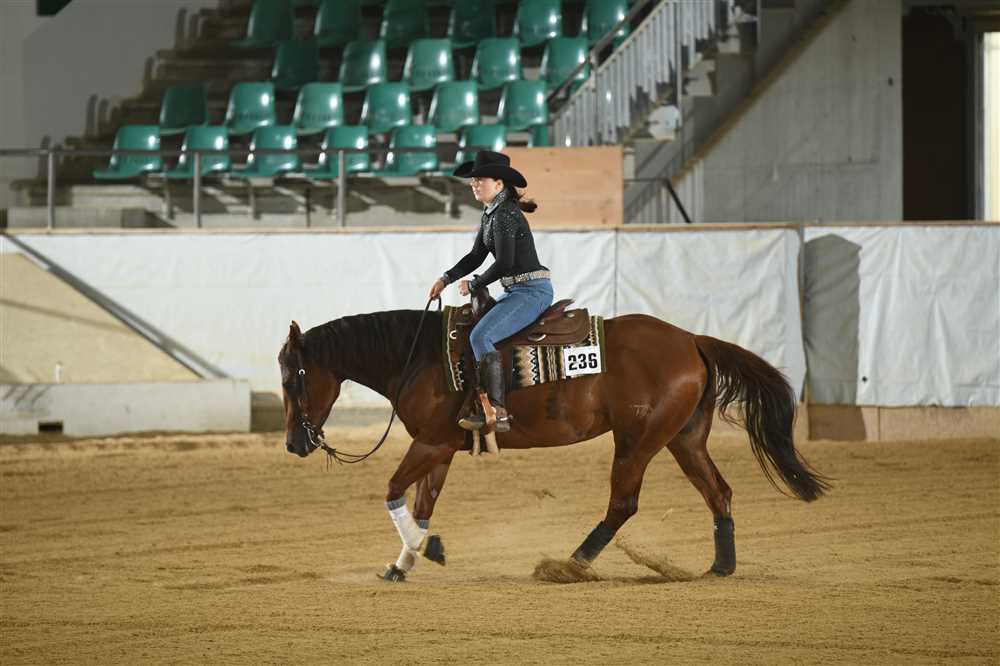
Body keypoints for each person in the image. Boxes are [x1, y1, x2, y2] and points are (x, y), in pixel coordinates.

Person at [428, 151, 553, 432]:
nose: (474, 184)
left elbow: (505, 263)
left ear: (499, 183)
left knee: (481, 336)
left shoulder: (505, 213)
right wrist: (446, 278)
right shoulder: (492, 214)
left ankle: (498, 411)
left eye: (480, 179)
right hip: (518, 291)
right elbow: (476, 257)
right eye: (473, 180)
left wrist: (474, 284)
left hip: (531, 292)